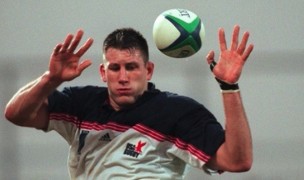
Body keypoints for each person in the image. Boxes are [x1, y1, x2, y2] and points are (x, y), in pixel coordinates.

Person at [4, 25, 253, 179]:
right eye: (115, 68)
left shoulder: (177, 113)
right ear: (103, 73)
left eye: (132, 67)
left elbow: (237, 161)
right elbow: (16, 114)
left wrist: (229, 87)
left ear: (149, 70)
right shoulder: (81, 105)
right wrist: (50, 79)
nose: (123, 77)